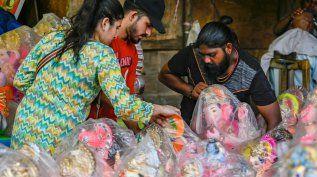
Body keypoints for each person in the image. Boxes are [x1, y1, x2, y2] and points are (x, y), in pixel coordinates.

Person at [10, 0, 179, 154]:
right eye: (116, 28)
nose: (115, 36)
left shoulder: (53, 38)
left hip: (23, 126)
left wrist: (44, 99)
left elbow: (21, 80)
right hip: (57, 137)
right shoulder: (103, 54)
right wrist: (158, 109)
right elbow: (124, 105)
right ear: (105, 23)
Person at [158, 21, 281, 131]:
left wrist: (265, 152)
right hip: (191, 133)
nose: (206, 60)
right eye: (203, 55)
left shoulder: (250, 71)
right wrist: (190, 90)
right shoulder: (192, 54)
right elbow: (164, 74)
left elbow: (274, 120)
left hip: (233, 137)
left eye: (212, 54)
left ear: (228, 48)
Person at [88, 0, 165, 132]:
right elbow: (102, 93)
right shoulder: (102, 42)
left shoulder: (133, 51)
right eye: (148, 25)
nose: (149, 33)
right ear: (133, 16)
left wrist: (137, 133)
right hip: (86, 126)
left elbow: (127, 99)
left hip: (107, 128)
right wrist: (146, 111)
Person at [261, 11, 317, 95]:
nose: (309, 23)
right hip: (306, 103)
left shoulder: (277, 43)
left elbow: (264, 72)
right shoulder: (315, 46)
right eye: (306, 19)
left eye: (310, 21)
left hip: (279, 102)